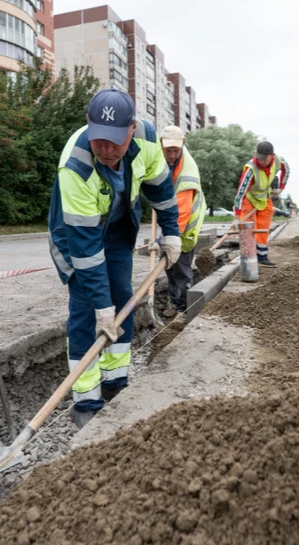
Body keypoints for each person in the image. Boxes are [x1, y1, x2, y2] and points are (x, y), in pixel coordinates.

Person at [48, 89, 181, 428]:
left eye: (114, 142)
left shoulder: (149, 141)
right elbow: (86, 247)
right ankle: (86, 401)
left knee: (122, 299)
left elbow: (160, 191)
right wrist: (99, 304)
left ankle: (116, 382)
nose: (106, 150)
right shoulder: (75, 166)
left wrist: (172, 232)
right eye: (99, 141)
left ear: (132, 129)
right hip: (76, 235)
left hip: (120, 227)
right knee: (86, 310)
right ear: (88, 128)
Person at [158, 125, 206, 319]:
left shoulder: (188, 173)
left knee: (182, 269)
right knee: (169, 265)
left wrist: (172, 237)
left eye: (175, 151)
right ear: (160, 145)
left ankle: (184, 309)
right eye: (167, 150)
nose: (171, 155)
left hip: (186, 225)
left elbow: (182, 211)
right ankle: (174, 301)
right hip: (171, 221)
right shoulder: (159, 157)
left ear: (182, 146)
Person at [233, 141, 290, 267]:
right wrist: (237, 218)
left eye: (264, 159)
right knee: (248, 229)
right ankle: (249, 259)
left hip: (265, 198)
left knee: (263, 228)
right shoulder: (250, 169)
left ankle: (262, 257)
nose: (261, 161)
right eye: (259, 158)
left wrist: (281, 187)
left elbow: (287, 170)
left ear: (272, 155)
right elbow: (241, 193)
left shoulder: (279, 161)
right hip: (249, 199)